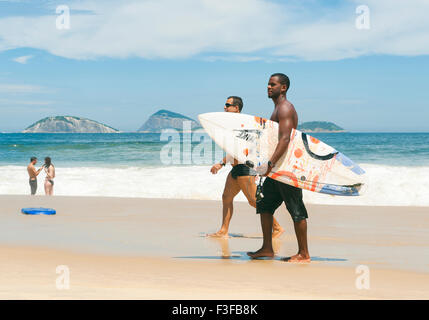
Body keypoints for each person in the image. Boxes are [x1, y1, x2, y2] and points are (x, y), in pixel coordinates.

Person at [247, 73, 310, 263]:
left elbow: (285, 138)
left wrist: (270, 164)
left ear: (283, 87)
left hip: (287, 169)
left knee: (296, 210)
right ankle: (267, 248)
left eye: (272, 84)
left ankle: (304, 254)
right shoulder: (277, 109)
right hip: (276, 169)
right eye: (267, 84)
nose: (268, 87)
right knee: (264, 205)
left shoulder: (285, 108)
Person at [209, 96, 284, 238]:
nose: (224, 107)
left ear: (236, 108)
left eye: (227, 105)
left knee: (253, 201)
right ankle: (224, 230)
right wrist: (223, 163)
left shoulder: (243, 126)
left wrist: (221, 163)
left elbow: (244, 148)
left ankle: (277, 227)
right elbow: (234, 150)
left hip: (245, 168)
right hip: (236, 169)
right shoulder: (232, 127)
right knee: (226, 197)